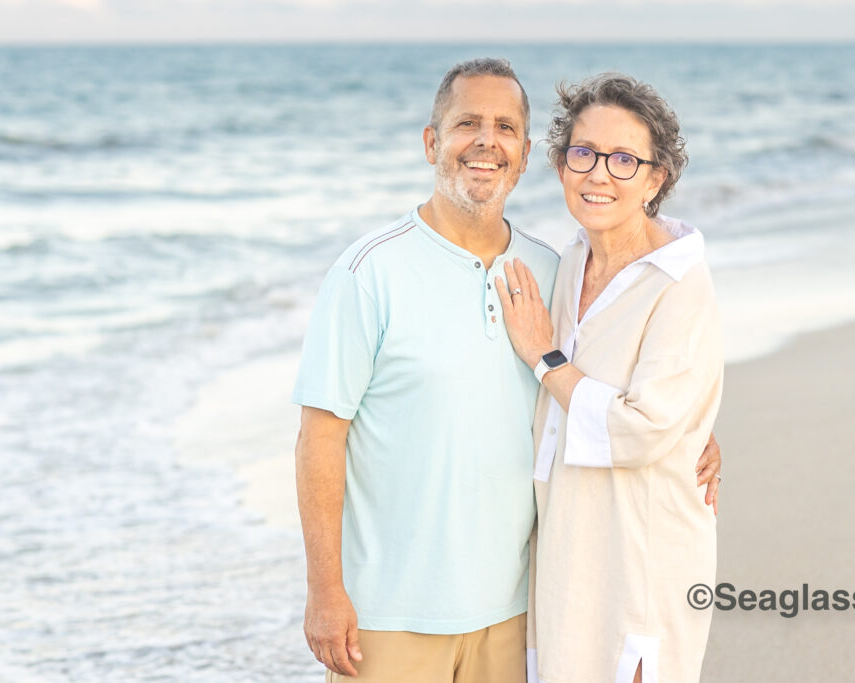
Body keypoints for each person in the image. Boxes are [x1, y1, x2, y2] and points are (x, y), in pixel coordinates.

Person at [292, 59, 721, 683]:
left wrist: (692, 428)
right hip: (390, 613)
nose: (486, 141)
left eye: (505, 127)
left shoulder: (550, 271)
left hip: (518, 613)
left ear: (523, 157)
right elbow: (319, 438)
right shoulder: (368, 273)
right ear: (432, 142)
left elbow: (630, 384)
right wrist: (324, 591)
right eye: (467, 123)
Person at [498, 74, 723, 683]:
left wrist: (546, 359)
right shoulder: (570, 262)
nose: (599, 173)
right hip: (570, 552)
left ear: (656, 179)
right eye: (584, 153)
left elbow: (642, 429)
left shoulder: (679, 283)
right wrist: (697, 430)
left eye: (625, 159)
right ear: (560, 163)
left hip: (642, 560)